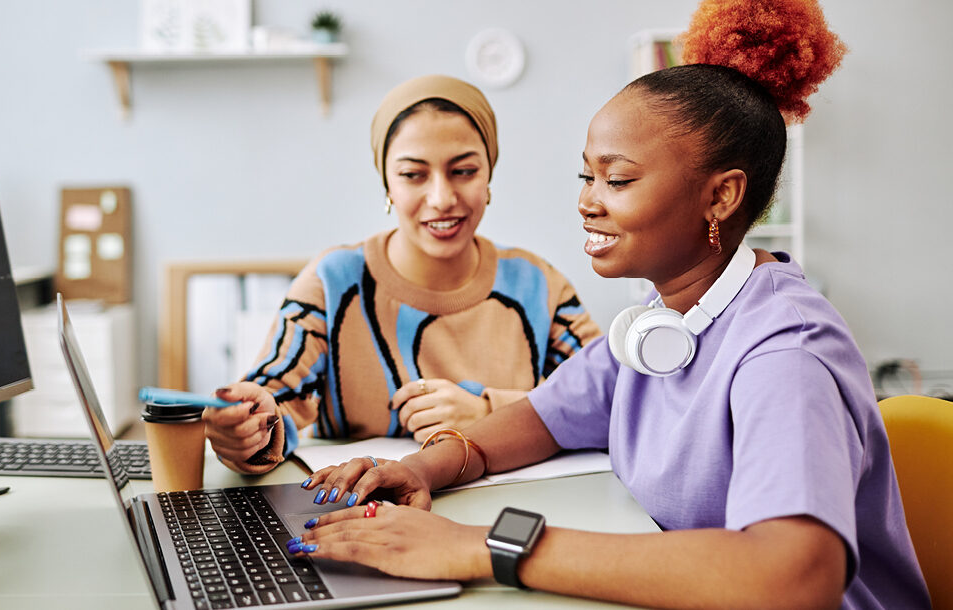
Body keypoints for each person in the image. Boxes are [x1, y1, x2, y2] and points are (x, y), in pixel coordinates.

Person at [288, 1, 932, 607]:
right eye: (586, 176)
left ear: (722, 197)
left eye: (618, 179)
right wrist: (422, 469)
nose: (587, 201)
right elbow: (535, 423)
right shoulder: (660, 325)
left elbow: (797, 576)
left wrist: (483, 547)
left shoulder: (785, 352)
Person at [204, 75, 602, 476]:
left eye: (464, 171)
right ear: (387, 184)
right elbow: (273, 402)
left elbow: (614, 405)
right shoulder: (334, 282)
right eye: (413, 175)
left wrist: (488, 412)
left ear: (489, 176)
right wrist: (245, 430)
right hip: (359, 518)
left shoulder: (538, 285)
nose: (442, 199)